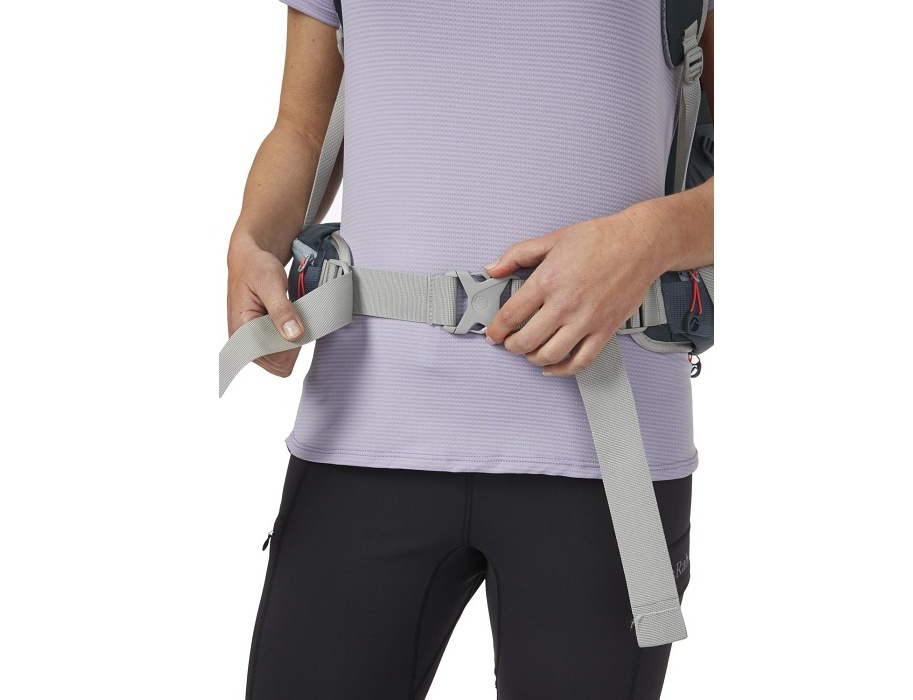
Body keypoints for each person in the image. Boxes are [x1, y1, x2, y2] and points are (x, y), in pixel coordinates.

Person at [226, 1, 714, 697]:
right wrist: (252, 242)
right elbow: (302, 127)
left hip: (609, 453)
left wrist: (646, 240)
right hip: (363, 428)